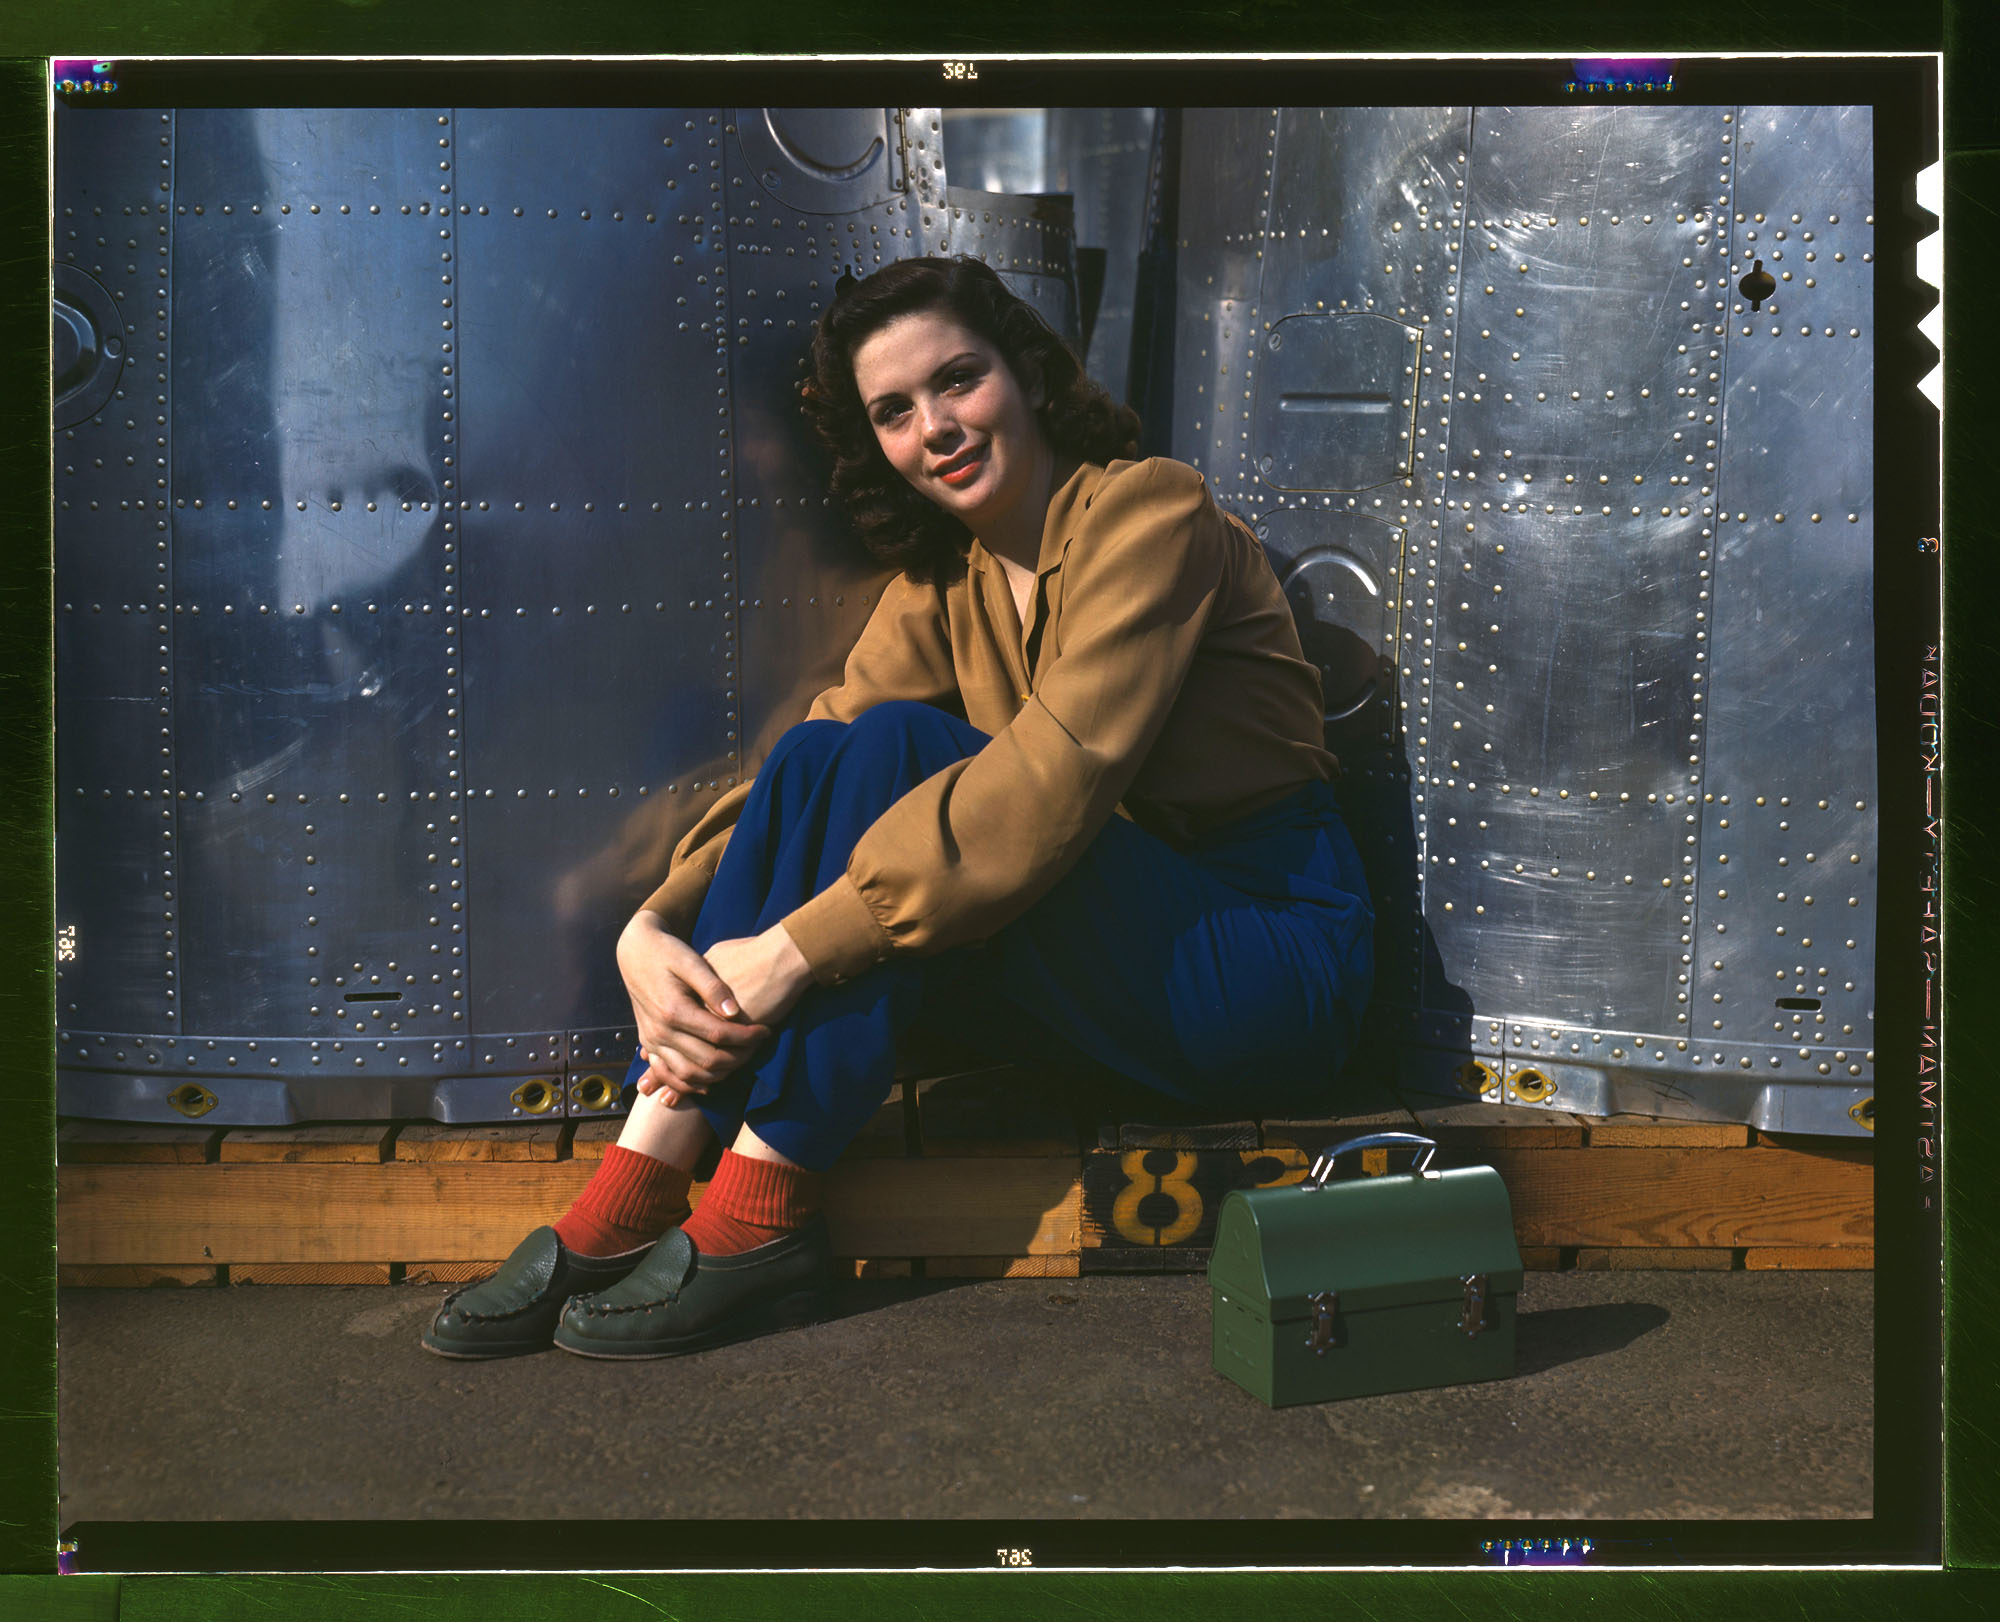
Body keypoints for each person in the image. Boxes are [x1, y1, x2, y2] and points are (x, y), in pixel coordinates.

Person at [423, 255, 1374, 1361]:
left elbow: (1052, 782)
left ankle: (757, 1211)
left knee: (899, 752)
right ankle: (644, 1169)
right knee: (824, 751)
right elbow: (797, 772)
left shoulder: (1149, 512)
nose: (937, 427)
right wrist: (653, 923)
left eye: (957, 379)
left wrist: (790, 953)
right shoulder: (945, 585)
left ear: (1027, 374)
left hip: (1262, 960)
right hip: (1107, 968)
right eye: (894, 411)